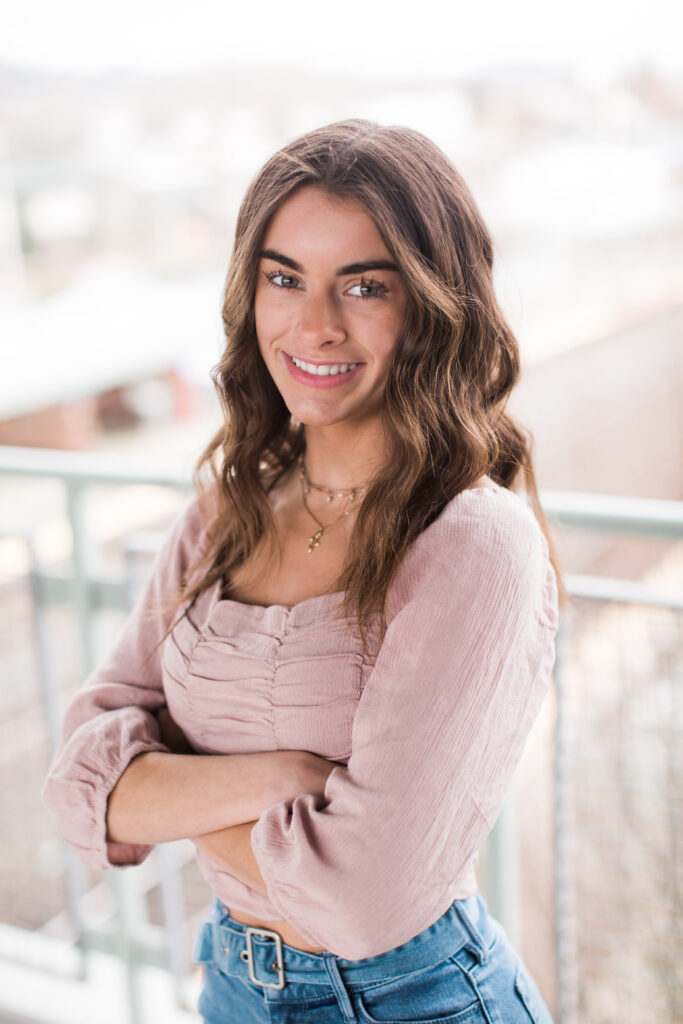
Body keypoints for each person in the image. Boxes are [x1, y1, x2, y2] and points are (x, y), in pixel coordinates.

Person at [43, 119, 566, 1024]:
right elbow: (76, 783)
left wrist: (162, 794)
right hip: (232, 983)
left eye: (364, 286)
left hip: (412, 1000)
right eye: (285, 278)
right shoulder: (222, 513)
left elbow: (364, 899)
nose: (315, 324)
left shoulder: (473, 543)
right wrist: (283, 776)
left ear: (434, 306)